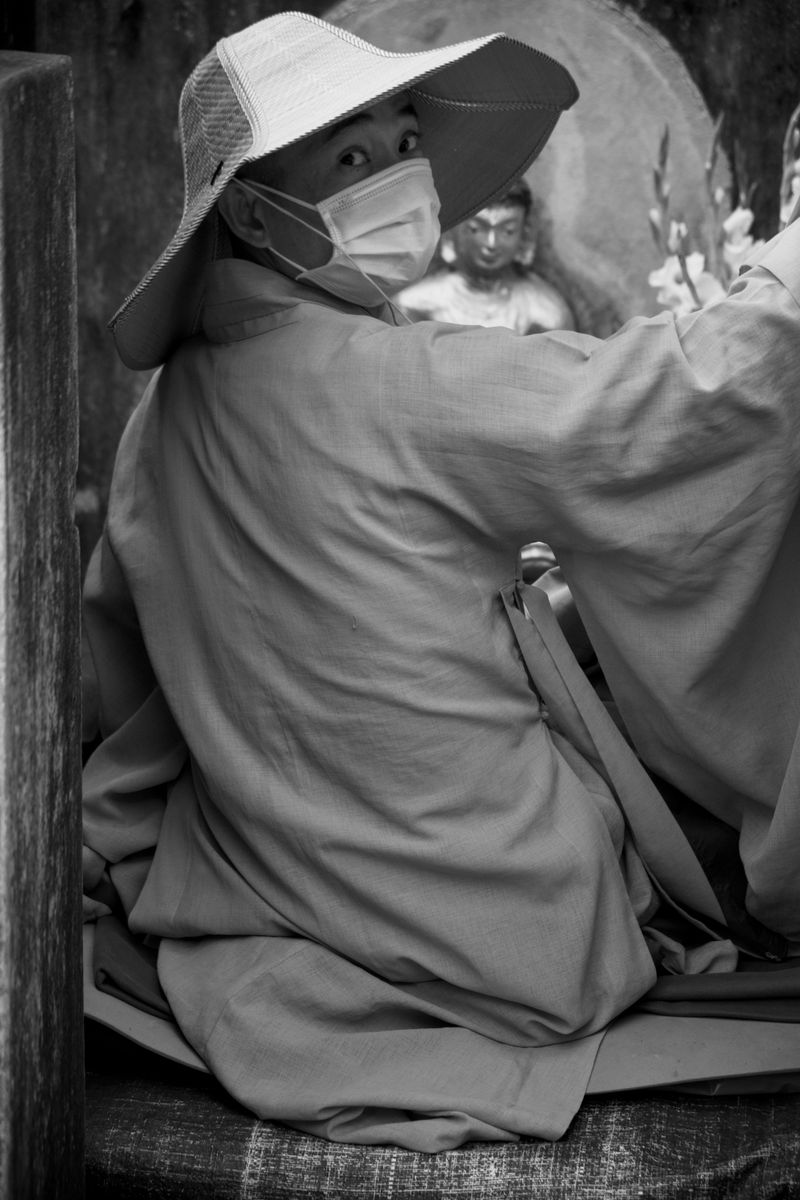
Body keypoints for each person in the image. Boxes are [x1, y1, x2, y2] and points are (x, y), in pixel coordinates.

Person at [82, 12, 800, 1153]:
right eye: (351, 160)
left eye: (402, 142)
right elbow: (692, 408)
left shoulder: (156, 419)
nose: (401, 179)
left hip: (276, 883)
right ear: (250, 210)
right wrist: (783, 273)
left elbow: (131, 684)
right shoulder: (398, 379)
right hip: (516, 934)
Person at [395, 177, 575, 333]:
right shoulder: (415, 304)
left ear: (524, 234)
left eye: (508, 231)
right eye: (477, 229)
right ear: (453, 230)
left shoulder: (545, 312)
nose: (491, 243)